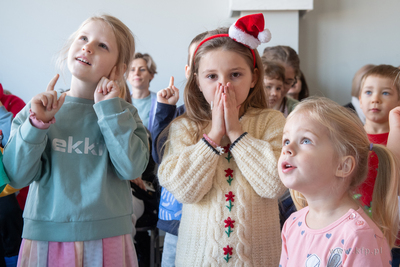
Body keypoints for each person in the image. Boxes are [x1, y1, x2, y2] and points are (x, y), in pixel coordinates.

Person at [3, 14, 149, 266]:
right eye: (83, 38)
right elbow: (16, 176)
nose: (87, 46)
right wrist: (37, 125)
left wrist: (109, 111)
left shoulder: (124, 114)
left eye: (102, 45)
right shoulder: (36, 109)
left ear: (119, 69)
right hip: (45, 237)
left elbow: (131, 168)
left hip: (109, 237)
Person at [158, 13, 287, 266]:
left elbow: (274, 185)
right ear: (197, 82)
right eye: (212, 76)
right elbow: (185, 191)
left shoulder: (271, 121)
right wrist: (214, 135)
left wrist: (237, 133)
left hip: (259, 259)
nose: (223, 86)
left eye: (235, 75)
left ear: (254, 78)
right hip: (197, 260)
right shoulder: (185, 126)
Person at [278, 97, 398, 266]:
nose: (287, 149)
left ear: (343, 165)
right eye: (286, 141)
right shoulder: (292, 223)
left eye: (306, 140)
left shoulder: (358, 235)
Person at [151, 31, 207, 267]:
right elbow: (160, 155)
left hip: (209, 218)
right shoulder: (179, 113)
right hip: (177, 220)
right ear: (189, 71)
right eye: (198, 62)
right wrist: (164, 110)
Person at [357, 64, 400, 267]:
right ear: (359, 99)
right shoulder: (349, 138)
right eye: (368, 92)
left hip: (394, 237)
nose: (375, 99)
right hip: (357, 231)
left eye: (385, 92)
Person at [262, 45, 300, 117]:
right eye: (269, 86)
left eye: (287, 82)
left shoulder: (298, 110)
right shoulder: (244, 107)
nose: (281, 89)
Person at [128, 53, 157, 131]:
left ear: (151, 74)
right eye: (132, 69)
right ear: (127, 75)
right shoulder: (120, 101)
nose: (136, 73)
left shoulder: (160, 102)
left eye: (142, 69)